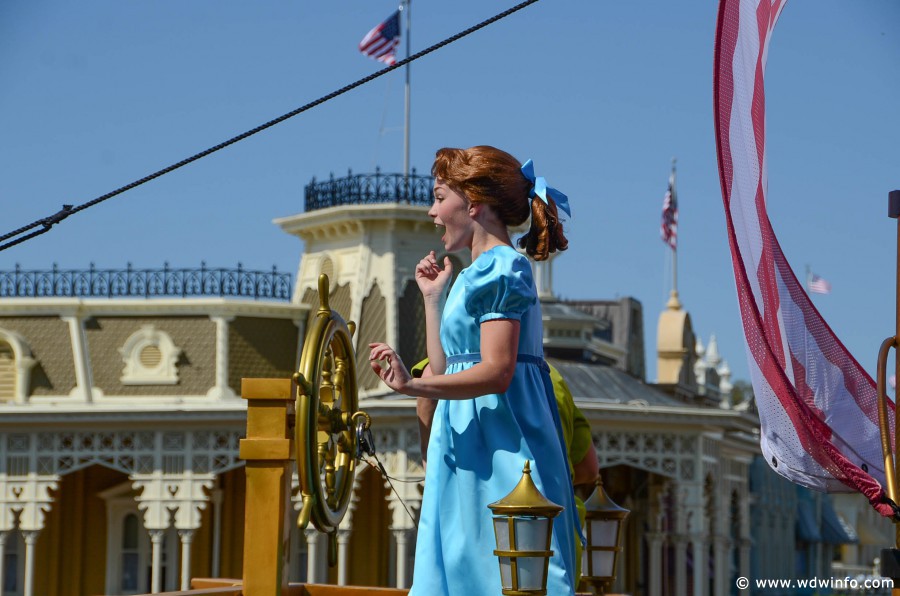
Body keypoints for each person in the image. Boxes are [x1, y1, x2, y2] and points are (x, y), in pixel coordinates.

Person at [369, 145, 579, 595]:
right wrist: (432, 300)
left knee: (502, 570)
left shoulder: (502, 269)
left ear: (473, 202)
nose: (432, 211)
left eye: (440, 197)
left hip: (502, 441)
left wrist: (411, 383)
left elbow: (498, 371)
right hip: (466, 437)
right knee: (462, 565)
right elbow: (450, 365)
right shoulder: (471, 275)